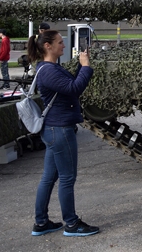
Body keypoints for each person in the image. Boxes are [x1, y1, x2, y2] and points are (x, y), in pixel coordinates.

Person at [28, 30, 99, 237]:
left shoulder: (50, 68)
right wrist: (86, 67)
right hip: (59, 130)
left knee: (49, 177)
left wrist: (81, 65)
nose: (64, 45)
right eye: (60, 42)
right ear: (48, 46)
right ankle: (71, 223)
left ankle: (41, 223)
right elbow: (75, 88)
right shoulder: (48, 70)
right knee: (67, 178)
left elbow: (68, 86)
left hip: (53, 129)